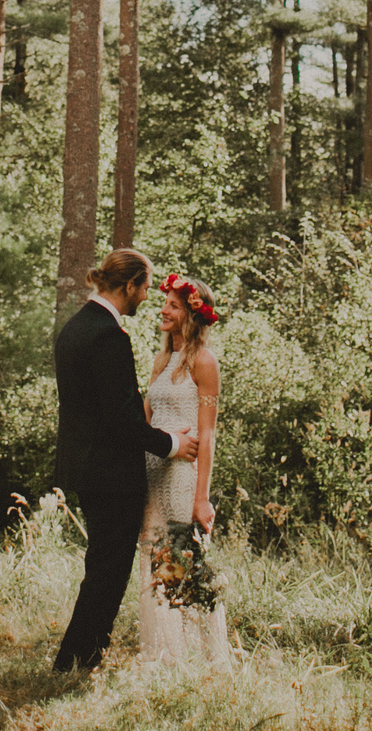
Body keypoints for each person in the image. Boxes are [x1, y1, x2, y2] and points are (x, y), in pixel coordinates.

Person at [52, 248, 199, 673]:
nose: (147, 299)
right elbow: (121, 419)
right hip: (110, 472)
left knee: (101, 565)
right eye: (146, 289)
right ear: (129, 285)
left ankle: (78, 657)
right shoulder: (108, 336)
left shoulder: (75, 328)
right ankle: (78, 660)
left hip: (86, 466)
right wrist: (172, 443)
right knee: (107, 571)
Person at [138, 271, 232, 668]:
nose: (163, 309)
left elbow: (207, 436)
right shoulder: (161, 360)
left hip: (183, 478)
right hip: (152, 472)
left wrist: (202, 497)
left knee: (185, 561)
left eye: (173, 305)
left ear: (191, 315)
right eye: (165, 303)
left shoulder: (204, 362)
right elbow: (143, 420)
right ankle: (165, 654)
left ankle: (199, 657)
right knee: (157, 560)